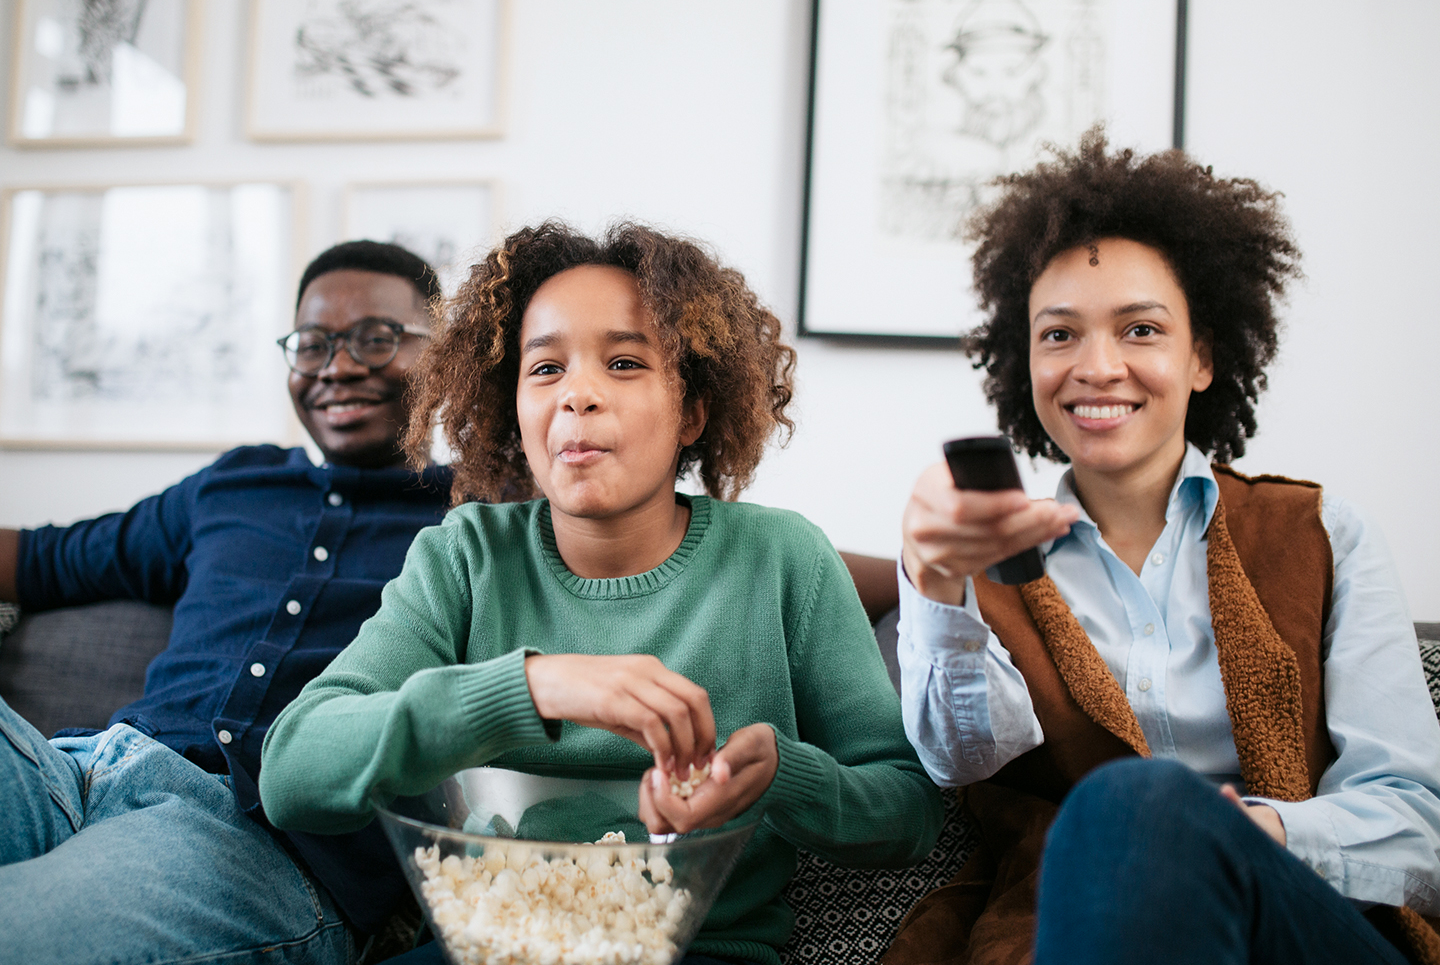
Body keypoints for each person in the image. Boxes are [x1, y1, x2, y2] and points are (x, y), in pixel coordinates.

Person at [259, 221, 944, 965]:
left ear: (692, 410)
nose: (577, 393)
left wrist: (782, 775)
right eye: (545, 369)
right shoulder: (462, 557)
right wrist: (532, 685)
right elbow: (294, 772)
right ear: (508, 406)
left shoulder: (784, 559)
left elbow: (906, 812)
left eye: (623, 362)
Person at [884, 131, 1440, 965]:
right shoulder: (981, 561)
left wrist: (1243, 832)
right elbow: (960, 756)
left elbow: (1415, 822)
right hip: (1074, 934)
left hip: (1303, 925)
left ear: (1203, 356)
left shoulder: (1323, 534)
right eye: (1059, 334)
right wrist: (932, 581)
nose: (1097, 366)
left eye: (1140, 330)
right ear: (1022, 360)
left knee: (1142, 801)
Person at [0, 240, 453, 964]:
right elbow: (44, 558)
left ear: (443, 354)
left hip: (256, 846)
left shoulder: (483, 521)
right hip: (78, 770)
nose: (338, 366)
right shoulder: (233, 482)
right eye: (313, 344)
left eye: (376, 338)